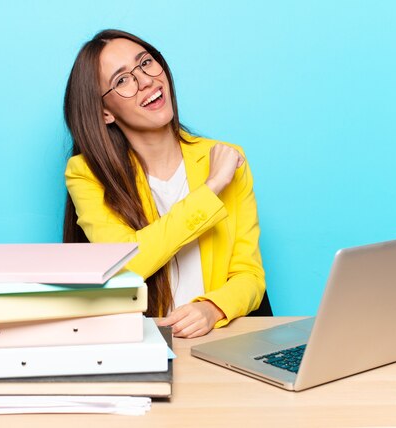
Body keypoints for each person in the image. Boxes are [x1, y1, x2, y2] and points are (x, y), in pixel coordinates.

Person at [63, 29, 266, 338]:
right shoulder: (86, 173)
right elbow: (123, 266)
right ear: (105, 112)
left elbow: (249, 275)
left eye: (145, 63)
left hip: (218, 340)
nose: (145, 80)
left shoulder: (225, 158)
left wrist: (214, 308)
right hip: (136, 345)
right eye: (122, 80)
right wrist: (210, 189)